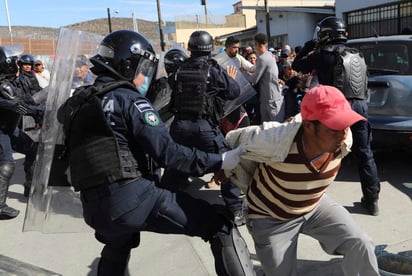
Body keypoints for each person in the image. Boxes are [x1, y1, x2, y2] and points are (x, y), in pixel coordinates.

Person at [56, 30, 254, 276]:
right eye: (142, 70)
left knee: (118, 244)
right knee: (220, 226)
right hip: (134, 199)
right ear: (128, 65)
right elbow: (169, 154)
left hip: (94, 208)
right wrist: (221, 160)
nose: (143, 77)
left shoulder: (79, 102)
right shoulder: (129, 101)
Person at [225, 85, 379, 276]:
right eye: (334, 128)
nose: (343, 134)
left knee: (361, 244)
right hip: (271, 216)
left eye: (345, 125)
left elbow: (335, 129)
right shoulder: (275, 140)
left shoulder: (345, 140)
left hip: (313, 206)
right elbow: (232, 141)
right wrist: (223, 167)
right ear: (308, 126)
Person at [292, 16, 381, 216]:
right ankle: (372, 200)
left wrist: (308, 45)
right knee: (365, 155)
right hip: (360, 107)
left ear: (325, 35)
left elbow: (297, 65)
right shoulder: (358, 53)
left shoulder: (322, 54)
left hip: (336, 109)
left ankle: (311, 201)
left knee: (322, 155)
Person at [160, 30, 248, 227]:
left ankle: (161, 203)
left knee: (176, 160)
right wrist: (226, 79)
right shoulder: (212, 71)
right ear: (209, 50)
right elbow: (233, 92)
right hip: (203, 127)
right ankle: (234, 208)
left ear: (190, 49)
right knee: (228, 161)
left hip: (179, 126)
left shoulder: (179, 71)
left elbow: (172, 90)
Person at [0, 45, 42, 218]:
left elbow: (27, 99)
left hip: (10, 129)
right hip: (1, 131)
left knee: (33, 148)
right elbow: (19, 106)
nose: (19, 66)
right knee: (7, 164)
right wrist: (39, 112)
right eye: (16, 63)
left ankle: (30, 185)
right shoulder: (3, 86)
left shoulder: (12, 82)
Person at [245, 33, 283, 123]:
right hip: (269, 98)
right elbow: (256, 68)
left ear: (256, 44)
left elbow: (254, 80)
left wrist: (242, 74)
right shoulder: (269, 55)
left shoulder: (263, 58)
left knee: (274, 129)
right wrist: (247, 68)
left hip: (271, 100)